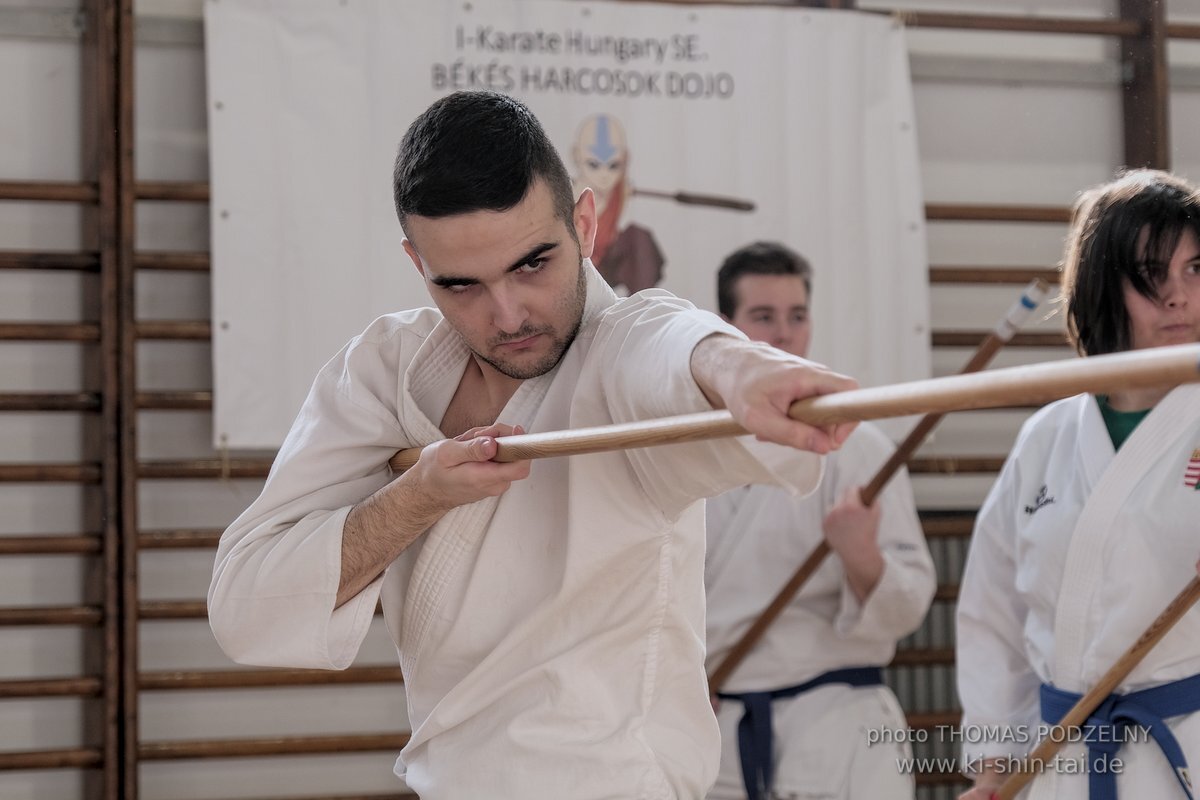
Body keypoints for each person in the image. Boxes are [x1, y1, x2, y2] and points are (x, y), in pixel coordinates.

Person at [207, 91, 859, 800]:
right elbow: (248, 608)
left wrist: (739, 368)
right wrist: (416, 498)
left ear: (584, 222)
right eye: (460, 285)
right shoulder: (383, 372)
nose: (507, 314)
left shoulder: (624, 347)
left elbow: (672, 347)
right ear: (416, 262)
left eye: (532, 265)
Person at [956, 169, 1200, 800]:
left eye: (1197, 269)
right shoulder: (1048, 436)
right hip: (1058, 753)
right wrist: (995, 759)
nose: (1180, 296)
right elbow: (993, 613)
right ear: (1102, 287)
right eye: (1152, 273)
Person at [703, 242, 936, 800]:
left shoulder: (857, 445)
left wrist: (863, 559)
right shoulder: (690, 451)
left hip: (838, 725)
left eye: (797, 317)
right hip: (717, 728)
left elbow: (910, 606)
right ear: (725, 327)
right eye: (763, 317)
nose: (784, 335)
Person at [570, 113, 664, 294]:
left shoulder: (620, 189)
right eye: (593, 165)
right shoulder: (566, 192)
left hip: (605, 265)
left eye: (613, 166)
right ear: (576, 156)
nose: (604, 175)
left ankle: (640, 307)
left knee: (640, 239)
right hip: (574, 264)